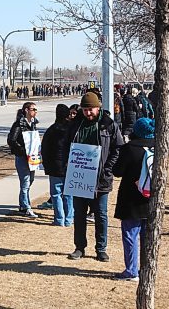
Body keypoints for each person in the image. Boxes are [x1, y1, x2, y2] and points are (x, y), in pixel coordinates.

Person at [67, 92, 124, 262]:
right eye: (84, 110)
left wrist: (107, 169)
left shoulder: (109, 125)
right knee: (79, 214)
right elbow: (65, 146)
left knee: (101, 214)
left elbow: (118, 148)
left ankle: (101, 249)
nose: (88, 113)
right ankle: (79, 247)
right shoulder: (75, 124)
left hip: (101, 179)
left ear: (98, 108)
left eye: (90, 109)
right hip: (80, 178)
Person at [113, 118, 155, 281]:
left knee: (130, 234)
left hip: (131, 198)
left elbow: (118, 171)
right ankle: (146, 267)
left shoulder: (129, 148)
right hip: (151, 198)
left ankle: (131, 270)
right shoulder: (158, 146)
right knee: (147, 236)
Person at [41, 104, 74, 227]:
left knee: (56, 195)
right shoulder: (72, 129)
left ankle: (59, 218)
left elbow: (44, 149)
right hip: (69, 166)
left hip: (54, 167)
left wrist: (46, 165)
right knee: (69, 194)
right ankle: (69, 218)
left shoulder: (51, 130)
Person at [7, 101, 40, 218]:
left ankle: (22, 205)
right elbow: (11, 140)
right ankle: (26, 207)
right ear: (26, 110)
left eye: (36, 110)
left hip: (32, 157)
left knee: (30, 180)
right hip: (22, 157)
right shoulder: (18, 124)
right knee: (25, 182)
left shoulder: (33, 123)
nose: (35, 111)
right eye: (33, 109)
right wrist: (22, 150)